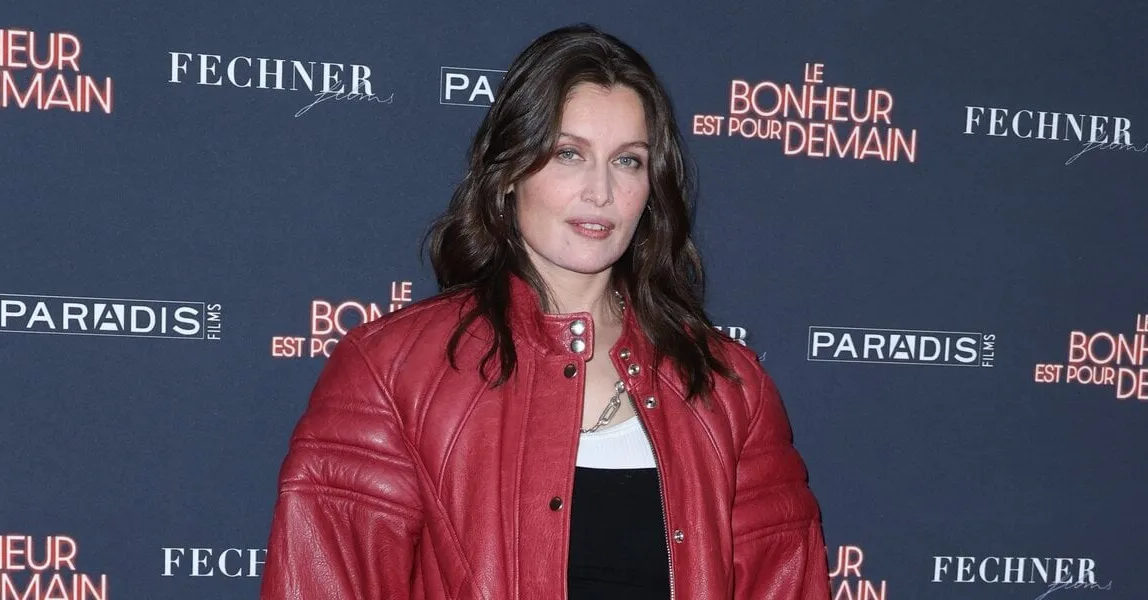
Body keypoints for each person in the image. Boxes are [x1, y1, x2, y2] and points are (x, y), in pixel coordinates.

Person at [260, 23, 829, 600]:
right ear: (509, 171)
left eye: (628, 161)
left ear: (652, 187)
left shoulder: (729, 387)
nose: (600, 192)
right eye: (568, 154)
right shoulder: (391, 370)